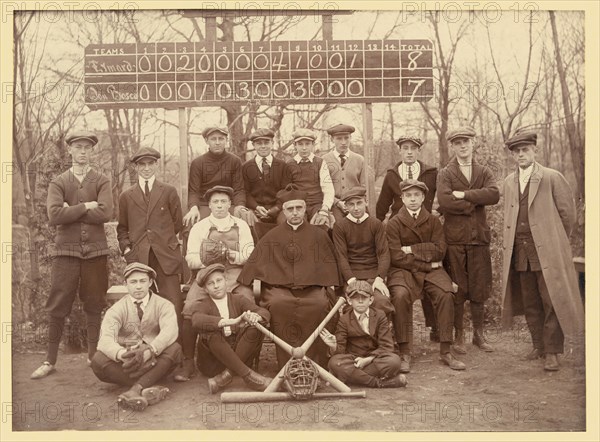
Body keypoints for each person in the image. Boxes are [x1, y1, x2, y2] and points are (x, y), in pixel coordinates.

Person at [31, 130, 113, 380]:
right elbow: (55, 216)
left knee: (94, 303)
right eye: (78, 147)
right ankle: (50, 360)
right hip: (66, 252)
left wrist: (72, 210)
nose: (82, 151)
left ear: (92, 151)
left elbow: (106, 213)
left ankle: (92, 356)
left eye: (87, 147)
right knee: (58, 304)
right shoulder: (59, 182)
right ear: (70, 151)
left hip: (96, 252)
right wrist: (87, 206)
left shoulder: (101, 180)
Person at [500, 130, 584, 371]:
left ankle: (553, 352)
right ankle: (538, 345)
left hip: (547, 249)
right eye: (516, 152)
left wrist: (554, 240)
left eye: (525, 150)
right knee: (530, 301)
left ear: (534, 150)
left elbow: (568, 215)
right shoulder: (508, 182)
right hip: (521, 250)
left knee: (551, 299)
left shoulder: (551, 177)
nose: (520, 155)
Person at [238, 184, 342, 368]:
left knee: (319, 304)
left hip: (312, 289)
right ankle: (286, 365)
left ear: (305, 209)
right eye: (290, 209)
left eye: (299, 208)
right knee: (279, 305)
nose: (295, 213)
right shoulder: (272, 236)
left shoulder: (319, 235)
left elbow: (331, 270)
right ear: (284, 211)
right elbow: (252, 268)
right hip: (279, 291)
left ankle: (313, 364)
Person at [175, 185, 254, 381]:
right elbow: (190, 258)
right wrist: (209, 258)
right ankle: (188, 362)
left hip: (234, 275)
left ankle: (243, 359)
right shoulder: (200, 227)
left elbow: (251, 253)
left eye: (224, 201)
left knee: (247, 301)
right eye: (215, 202)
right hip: (207, 276)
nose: (220, 206)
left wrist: (232, 255)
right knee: (190, 306)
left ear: (230, 204)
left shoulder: (241, 225)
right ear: (209, 205)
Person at [386, 180, 465, 372]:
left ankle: (446, 349)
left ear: (423, 198)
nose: (413, 199)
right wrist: (426, 262)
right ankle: (404, 350)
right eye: (408, 196)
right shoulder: (394, 223)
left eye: (416, 195)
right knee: (400, 295)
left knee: (446, 293)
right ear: (402, 198)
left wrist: (411, 249)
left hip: (432, 270)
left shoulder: (433, 221)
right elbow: (396, 256)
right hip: (403, 270)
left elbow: (439, 251)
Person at [437, 126, 500, 355]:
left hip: (479, 238)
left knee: (479, 288)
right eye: (458, 143)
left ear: (473, 144)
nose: (463, 146)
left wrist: (464, 195)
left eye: (466, 142)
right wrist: (474, 202)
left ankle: (479, 335)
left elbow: (493, 194)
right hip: (454, 239)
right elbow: (444, 202)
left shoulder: (483, 171)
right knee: (458, 289)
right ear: (452, 146)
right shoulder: (446, 173)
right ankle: (459, 335)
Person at [91, 262, 181, 411]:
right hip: (128, 364)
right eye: (133, 282)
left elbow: (170, 332)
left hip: (154, 359)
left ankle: (134, 389)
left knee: (175, 349)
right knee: (97, 360)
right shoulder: (116, 309)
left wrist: (150, 350)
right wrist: (122, 355)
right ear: (126, 284)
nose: (138, 286)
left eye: (142, 281)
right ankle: (145, 387)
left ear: (150, 282)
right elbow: (105, 340)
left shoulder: (164, 305)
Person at [375, 135, 440, 342]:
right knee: (403, 281)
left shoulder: (430, 173)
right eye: (405, 148)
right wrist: (377, 228)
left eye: (413, 148)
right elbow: (382, 205)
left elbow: (441, 197)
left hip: (425, 231)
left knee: (429, 277)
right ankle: (399, 330)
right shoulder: (392, 175)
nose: (409, 152)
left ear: (419, 151)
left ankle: (435, 326)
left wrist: (440, 217)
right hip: (400, 230)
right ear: (400, 151)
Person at [116, 147, 184, 335]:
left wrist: (165, 242)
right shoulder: (126, 196)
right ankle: (146, 350)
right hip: (139, 258)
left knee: (173, 304)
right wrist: (127, 250)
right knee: (143, 307)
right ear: (136, 167)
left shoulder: (168, 191)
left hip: (166, 258)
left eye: (150, 164)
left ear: (156, 165)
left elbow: (178, 223)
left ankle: (176, 354)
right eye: (142, 165)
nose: (146, 168)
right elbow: (122, 228)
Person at [189, 263, 272, 393]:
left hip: (240, 356)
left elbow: (264, 312)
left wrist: (257, 317)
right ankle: (248, 376)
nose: (216, 286)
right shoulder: (203, 304)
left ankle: (226, 376)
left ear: (226, 281)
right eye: (211, 284)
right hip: (214, 364)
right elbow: (196, 320)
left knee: (255, 327)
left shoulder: (238, 299)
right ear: (205, 289)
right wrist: (228, 322)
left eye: (219, 280)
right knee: (210, 332)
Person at [320, 281, 407, 388]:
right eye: (356, 298)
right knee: (334, 363)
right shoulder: (344, 320)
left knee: (394, 361)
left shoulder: (379, 316)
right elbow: (340, 351)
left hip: (374, 359)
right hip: (353, 360)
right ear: (349, 301)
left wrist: (367, 360)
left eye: (364, 298)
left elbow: (387, 346)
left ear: (371, 300)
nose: (360, 301)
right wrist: (334, 345)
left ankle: (351, 377)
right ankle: (380, 383)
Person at [331, 186, 394, 319]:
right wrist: (351, 280)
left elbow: (383, 253)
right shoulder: (340, 226)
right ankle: (356, 336)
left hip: (373, 276)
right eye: (351, 204)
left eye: (359, 203)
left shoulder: (376, 224)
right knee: (355, 303)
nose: (356, 208)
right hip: (351, 277)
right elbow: (341, 256)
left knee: (380, 302)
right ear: (346, 207)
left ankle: (381, 335)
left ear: (365, 202)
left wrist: (379, 279)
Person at [183, 126, 248, 226]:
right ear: (206, 141)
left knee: (246, 220)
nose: (217, 142)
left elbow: (239, 189)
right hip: (205, 205)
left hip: (228, 204)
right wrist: (194, 207)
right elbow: (193, 191)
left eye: (221, 138)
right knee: (190, 222)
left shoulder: (235, 161)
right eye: (213, 139)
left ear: (226, 140)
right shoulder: (198, 163)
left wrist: (240, 205)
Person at [241, 128, 291, 237]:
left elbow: (286, 191)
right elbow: (245, 192)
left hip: (278, 208)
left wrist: (276, 208)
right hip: (255, 208)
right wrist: (256, 207)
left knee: (287, 222)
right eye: (259, 143)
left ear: (272, 143)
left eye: (266, 142)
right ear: (253, 145)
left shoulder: (282, 166)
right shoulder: (246, 167)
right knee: (248, 224)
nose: (263, 146)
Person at [287, 128, 335, 227]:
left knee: (322, 224)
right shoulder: (290, 164)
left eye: (307, 144)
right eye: (300, 144)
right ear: (295, 145)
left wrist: (324, 208)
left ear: (313, 145)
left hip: (317, 204)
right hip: (298, 205)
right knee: (297, 227)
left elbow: (328, 188)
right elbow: (287, 190)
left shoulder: (320, 162)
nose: (304, 148)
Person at [322, 124, 365, 224]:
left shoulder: (359, 159)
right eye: (339, 138)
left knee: (366, 224)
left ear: (351, 138)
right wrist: (337, 202)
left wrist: (356, 203)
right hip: (334, 205)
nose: (343, 142)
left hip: (355, 203)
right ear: (332, 139)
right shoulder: (324, 160)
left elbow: (363, 187)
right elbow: (323, 188)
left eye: (346, 138)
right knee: (337, 225)